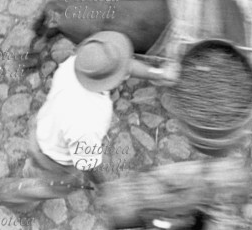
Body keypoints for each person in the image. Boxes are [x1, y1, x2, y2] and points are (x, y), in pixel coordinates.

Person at [25, 31, 176, 184]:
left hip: (41, 130)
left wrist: (159, 74)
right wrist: (103, 187)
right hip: (53, 158)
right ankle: (20, 194)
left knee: (35, 165)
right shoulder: (90, 119)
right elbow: (87, 164)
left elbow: (126, 66)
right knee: (59, 187)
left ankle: (31, 168)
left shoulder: (77, 64)